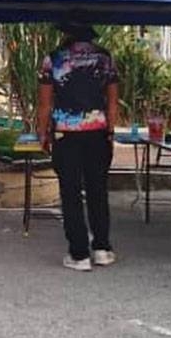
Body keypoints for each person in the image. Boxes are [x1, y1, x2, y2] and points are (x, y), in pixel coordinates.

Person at [38, 21, 118, 272]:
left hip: (66, 133)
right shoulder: (105, 59)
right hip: (97, 132)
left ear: (66, 34)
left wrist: (42, 133)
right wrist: (110, 130)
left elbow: (45, 104)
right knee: (98, 190)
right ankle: (103, 248)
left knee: (70, 193)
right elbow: (113, 102)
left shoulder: (53, 60)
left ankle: (79, 254)